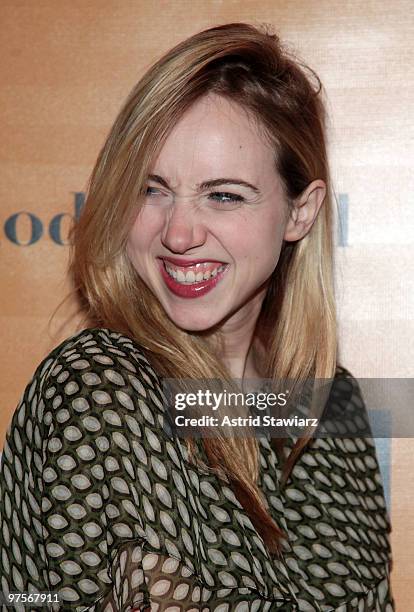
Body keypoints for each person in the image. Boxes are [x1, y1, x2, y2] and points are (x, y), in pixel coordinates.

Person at [0, 22, 394, 612]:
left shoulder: (328, 401)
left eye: (224, 195)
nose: (178, 233)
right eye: (152, 189)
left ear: (300, 212)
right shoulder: (102, 385)